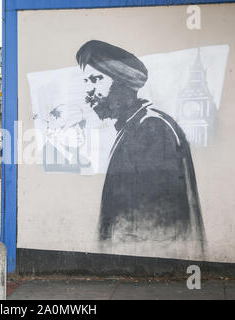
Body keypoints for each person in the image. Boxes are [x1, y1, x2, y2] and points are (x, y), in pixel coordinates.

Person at [76, 40, 206, 255]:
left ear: (123, 82)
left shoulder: (150, 127)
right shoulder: (136, 125)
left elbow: (155, 221)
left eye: (96, 80)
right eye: (86, 82)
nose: (89, 91)